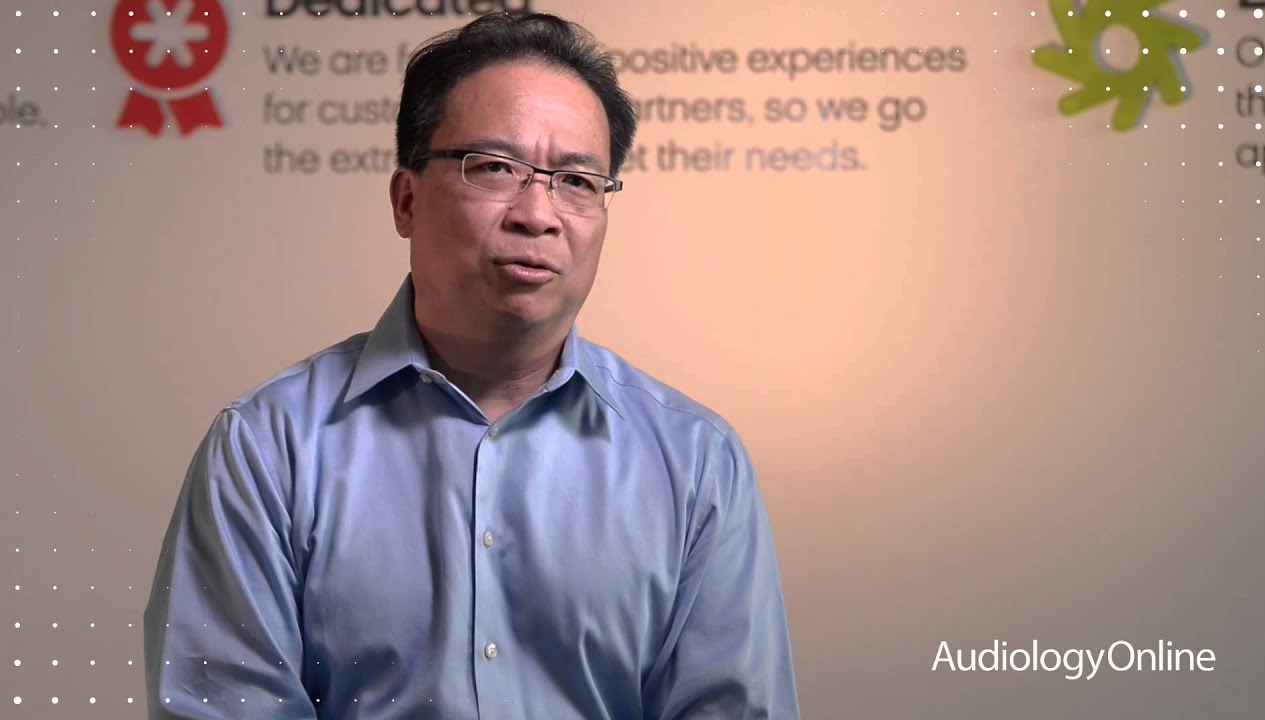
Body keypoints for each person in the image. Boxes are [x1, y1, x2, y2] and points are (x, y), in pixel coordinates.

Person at [143, 11, 799, 719]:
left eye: (577, 181)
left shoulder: (695, 462)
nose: (537, 214)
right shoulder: (268, 448)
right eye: (493, 168)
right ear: (407, 200)